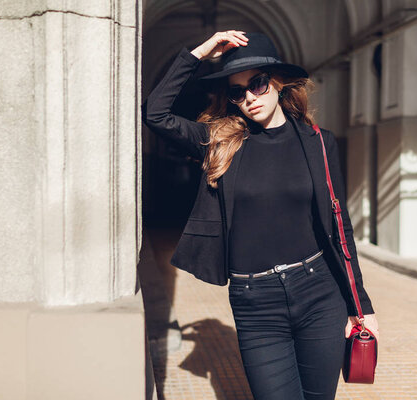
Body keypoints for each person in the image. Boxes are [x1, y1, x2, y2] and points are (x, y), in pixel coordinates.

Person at [142, 30, 379, 400]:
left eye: (258, 83)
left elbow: (339, 226)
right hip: (256, 304)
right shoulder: (220, 142)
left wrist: (360, 307)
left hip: (319, 292)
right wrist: (200, 53)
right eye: (238, 91)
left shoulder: (319, 142)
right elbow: (155, 113)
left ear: (279, 83)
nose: (249, 97)